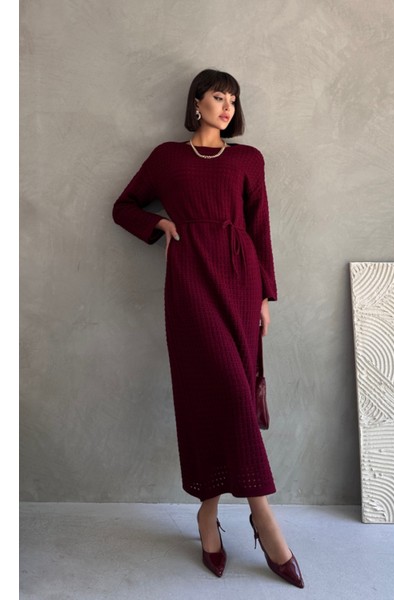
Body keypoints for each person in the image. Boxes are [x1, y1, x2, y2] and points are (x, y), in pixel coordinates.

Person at [112, 68, 304, 588]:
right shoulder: (166, 158)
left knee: (228, 393)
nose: (227, 107)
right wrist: (160, 224)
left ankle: (208, 512)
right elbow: (123, 207)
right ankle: (264, 519)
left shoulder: (248, 159)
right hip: (191, 282)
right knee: (217, 391)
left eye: (233, 100)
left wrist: (265, 295)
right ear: (197, 101)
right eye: (219, 96)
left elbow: (260, 226)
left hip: (241, 282)